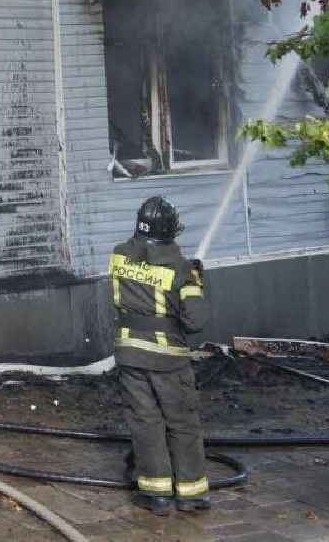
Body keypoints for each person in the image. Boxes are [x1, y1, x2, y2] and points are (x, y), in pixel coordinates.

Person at [111, 195, 210, 516]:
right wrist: (196, 283)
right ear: (170, 230)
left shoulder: (119, 255)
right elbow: (195, 322)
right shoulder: (181, 270)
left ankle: (156, 495)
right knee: (182, 423)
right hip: (169, 362)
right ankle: (192, 495)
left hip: (130, 355)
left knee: (145, 422)